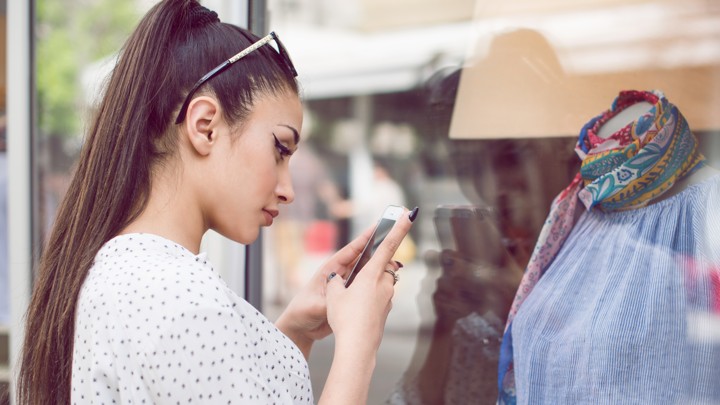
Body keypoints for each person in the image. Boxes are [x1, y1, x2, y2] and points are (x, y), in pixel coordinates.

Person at [16, 1, 418, 404]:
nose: (288, 190)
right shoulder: (186, 305)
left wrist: (295, 331)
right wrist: (359, 343)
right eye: (279, 149)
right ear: (205, 126)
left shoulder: (122, 271)